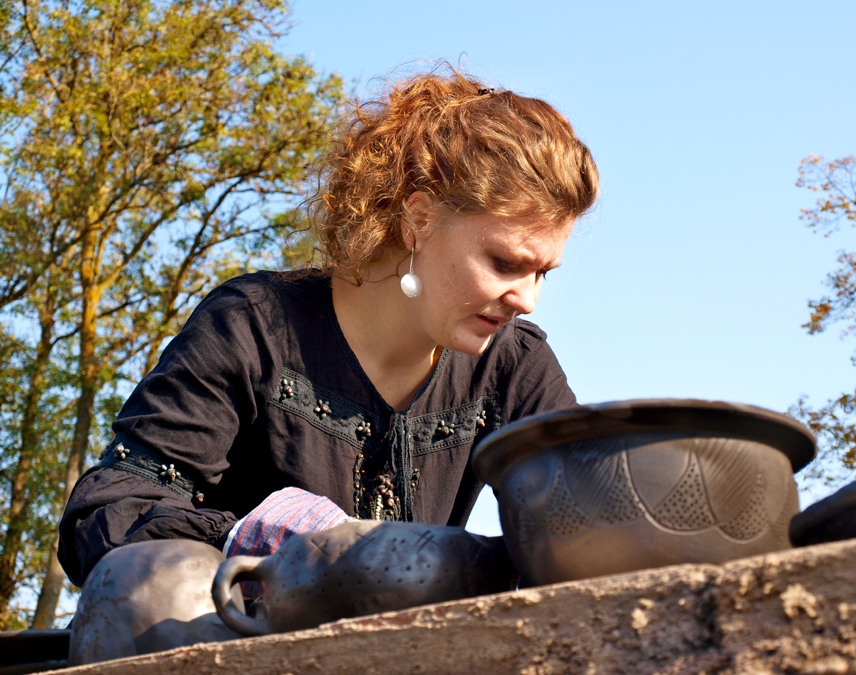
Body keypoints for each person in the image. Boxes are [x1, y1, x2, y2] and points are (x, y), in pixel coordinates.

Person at [58, 67, 600, 588]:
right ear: (419, 219)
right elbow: (105, 511)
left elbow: (587, 530)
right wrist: (253, 539)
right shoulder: (253, 328)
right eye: (505, 263)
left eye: (542, 273)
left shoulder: (515, 368)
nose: (527, 300)